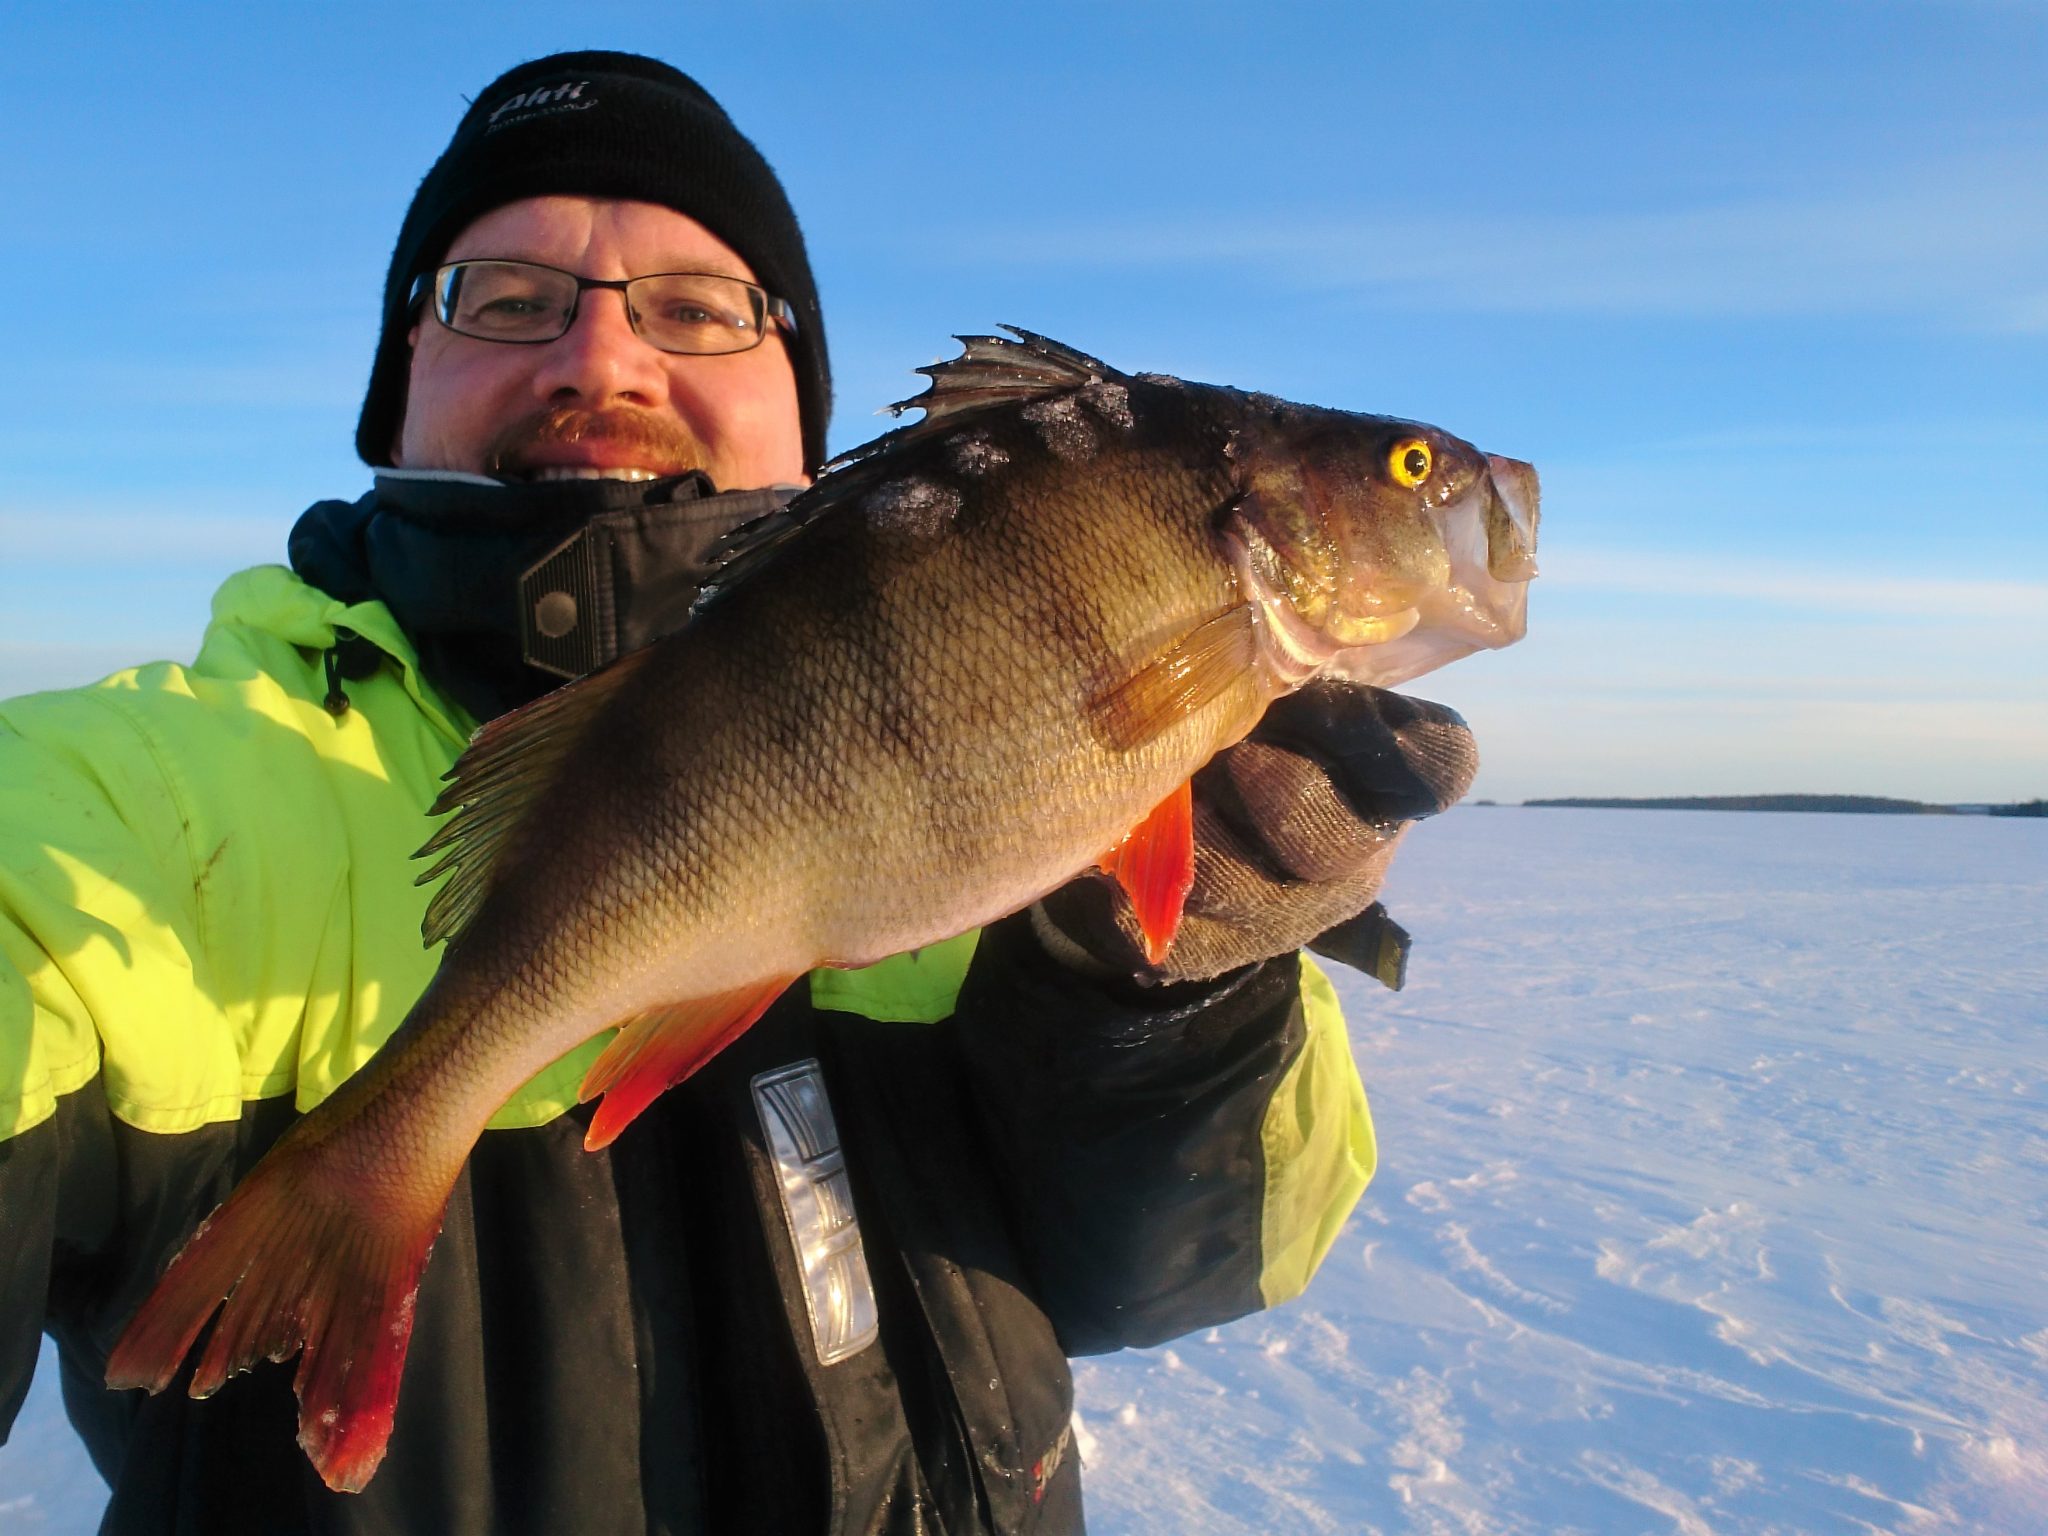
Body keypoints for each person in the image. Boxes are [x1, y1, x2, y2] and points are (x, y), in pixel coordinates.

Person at [0, 51, 1474, 1535]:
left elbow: (1204, 1266)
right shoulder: (112, 809)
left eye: (696, 310)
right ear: (393, 396)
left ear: (806, 416)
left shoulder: (1163, 747)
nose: (604, 362)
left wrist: (1171, 991)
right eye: (505, 299)